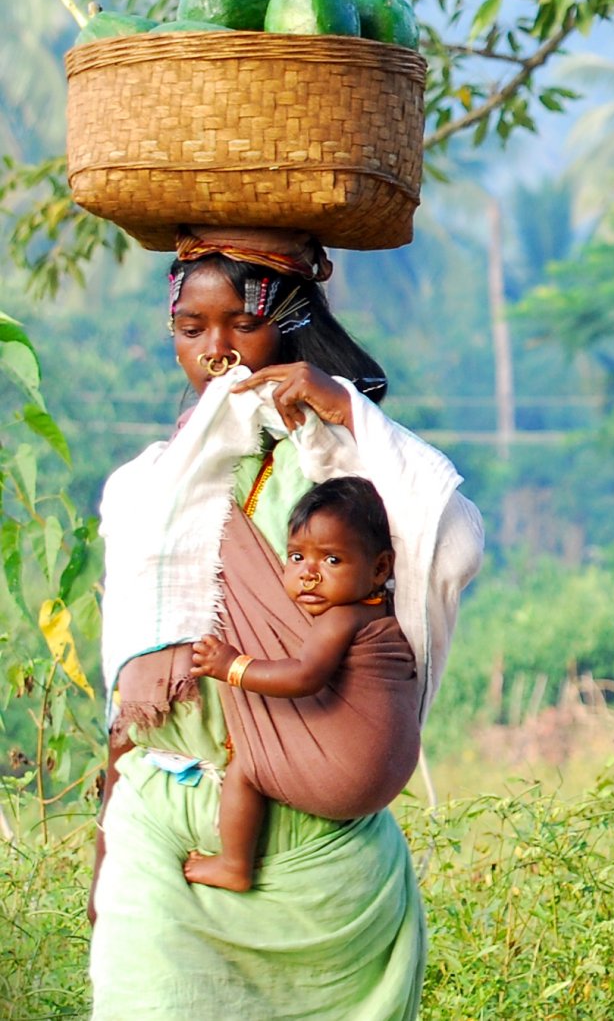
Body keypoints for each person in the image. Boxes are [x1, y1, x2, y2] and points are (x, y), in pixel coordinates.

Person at [89, 225, 484, 1021]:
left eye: (243, 322)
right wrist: (105, 837)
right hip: (168, 837)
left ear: (292, 320)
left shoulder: (342, 464)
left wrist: (347, 415)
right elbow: (131, 673)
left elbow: (452, 541)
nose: (217, 350)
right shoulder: (146, 488)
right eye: (192, 329)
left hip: (318, 858)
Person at [184, 475, 419, 893]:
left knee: (246, 768)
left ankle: (234, 865)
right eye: (296, 557)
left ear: (380, 568)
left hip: (345, 778)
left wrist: (231, 666)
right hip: (388, 778)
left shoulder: (340, 619)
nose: (309, 575)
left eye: (331, 561)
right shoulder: (380, 611)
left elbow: (304, 677)